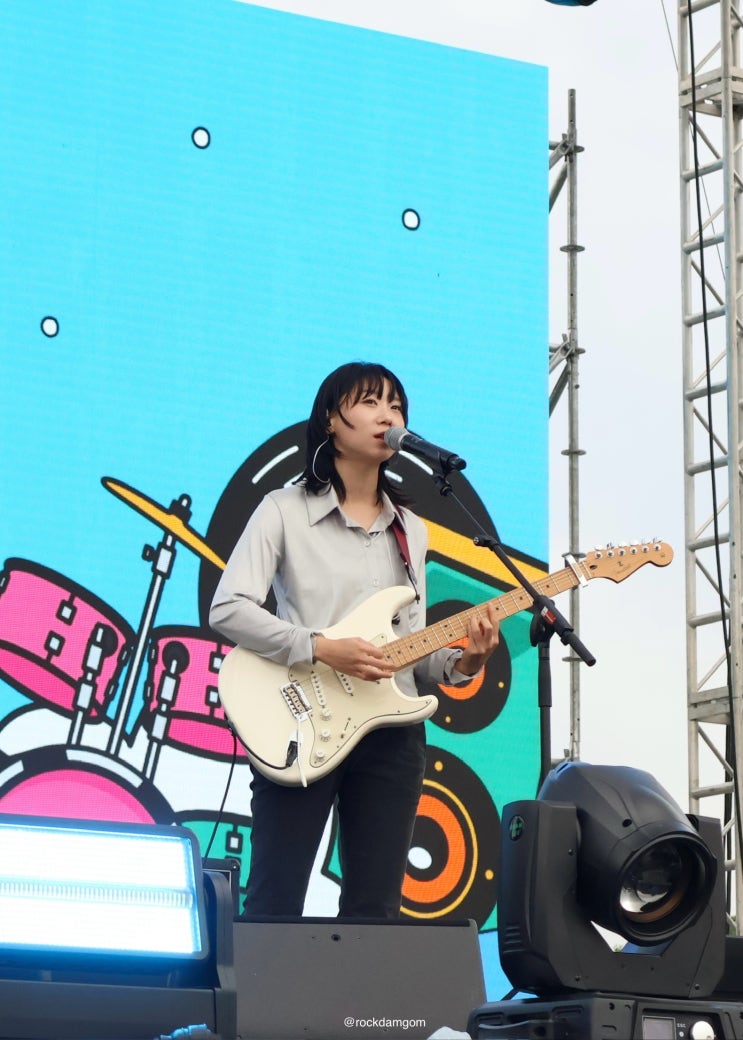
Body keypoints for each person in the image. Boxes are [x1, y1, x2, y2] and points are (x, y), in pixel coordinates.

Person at [209, 361, 500, 918]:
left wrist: (464, 663)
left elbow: (408, 645)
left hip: (391, 736)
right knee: (274, 904)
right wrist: (320, 647)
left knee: (376, 912)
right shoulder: (283, 510)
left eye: (396, 405)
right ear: (330, 420)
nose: (387, 415)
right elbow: (229, 608)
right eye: (370, 402)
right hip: (301, 719)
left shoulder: (410, 529)